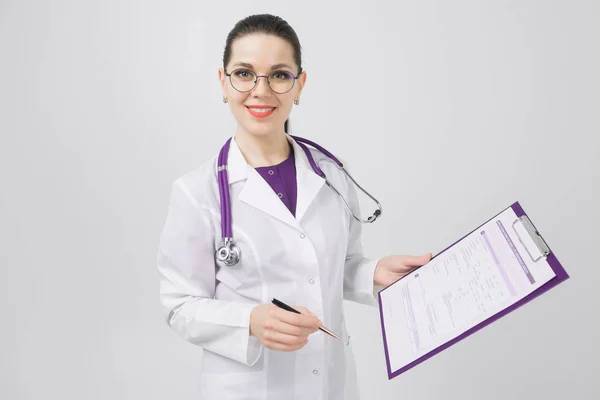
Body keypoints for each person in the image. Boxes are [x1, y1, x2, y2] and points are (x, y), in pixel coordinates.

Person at [156, 13, 432, 400]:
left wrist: (374, 273)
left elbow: (334, 268)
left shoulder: (333, 175)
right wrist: (250, 320)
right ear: (223, 82)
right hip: (248, 388)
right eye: (244, 73)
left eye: (280, 75)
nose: (261, 90)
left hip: (330, 384)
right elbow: (179, 305)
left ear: (299, 85)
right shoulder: (196, 192)